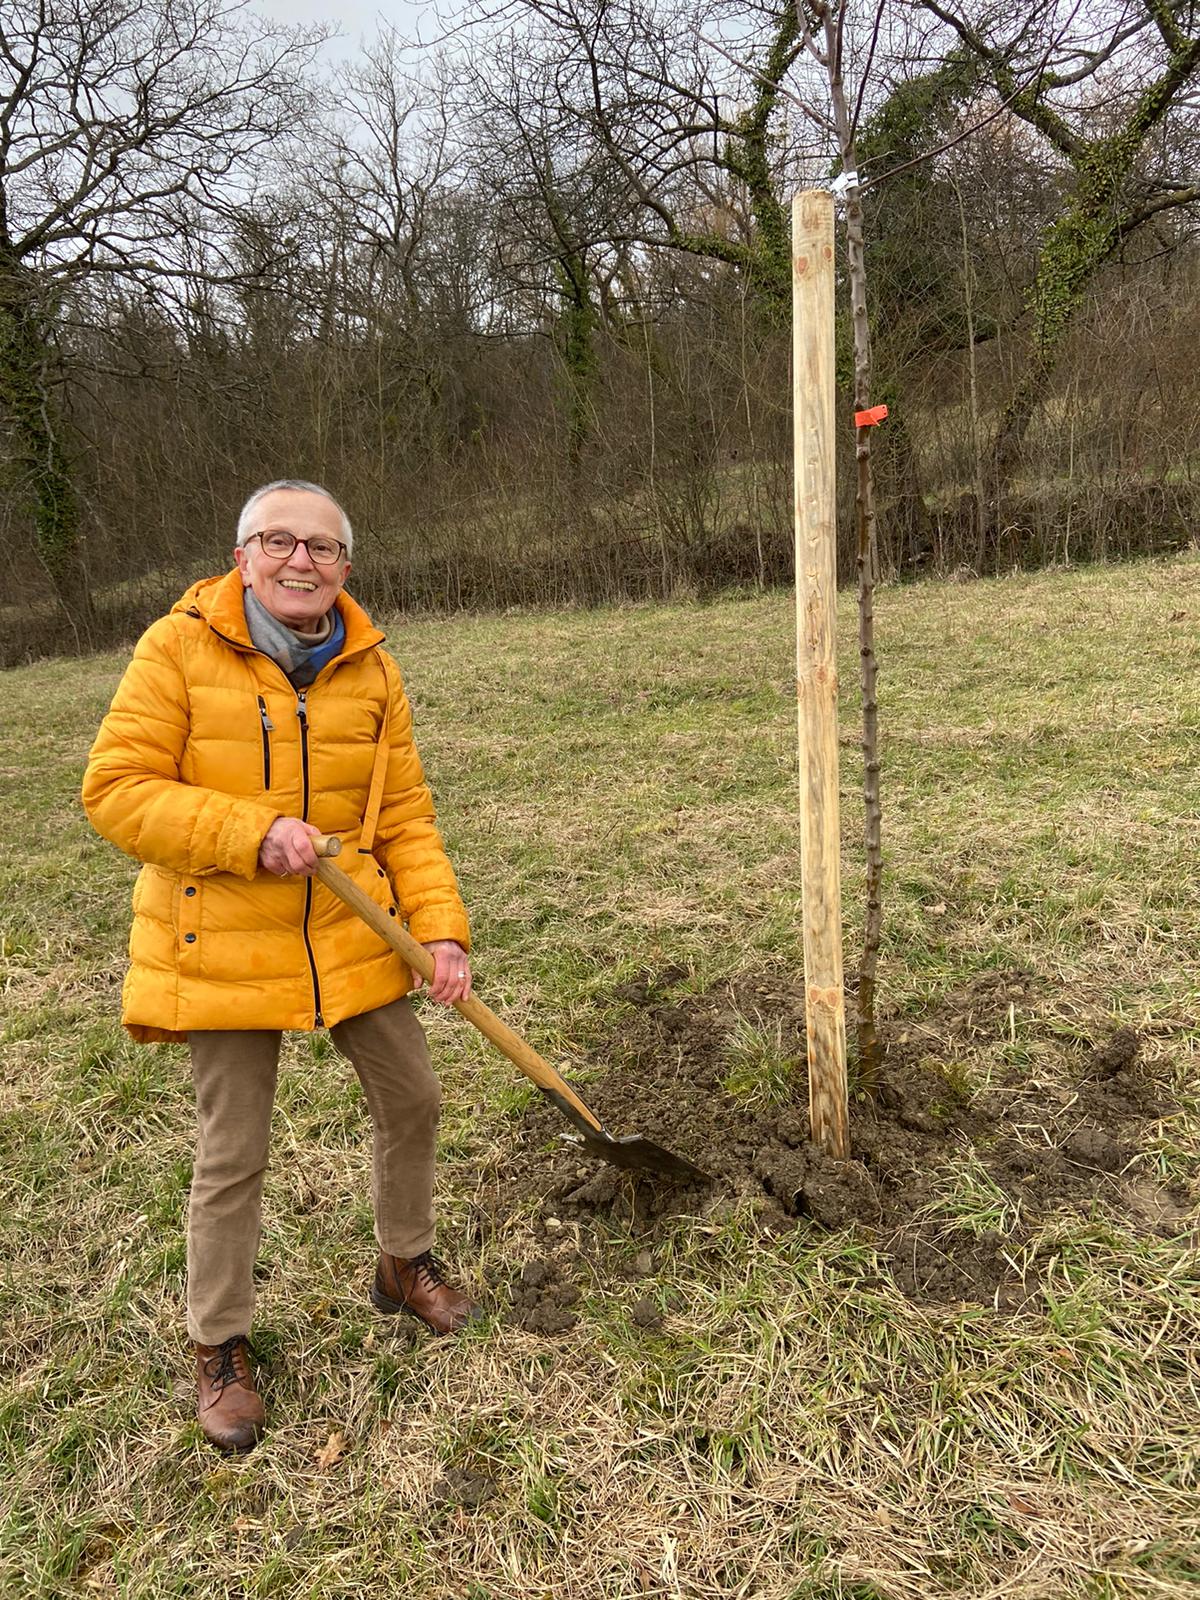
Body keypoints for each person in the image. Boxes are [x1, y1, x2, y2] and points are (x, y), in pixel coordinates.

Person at [82, 479, 479, 1453]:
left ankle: (403, 1261)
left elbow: (406, 819)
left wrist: (441, 930)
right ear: (242, 555)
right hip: (217, 930)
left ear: (347, 566)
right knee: (235, 1150)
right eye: (279, 542)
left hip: (350, 927)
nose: (301, 561)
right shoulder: (177, 648)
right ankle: (219, 1345)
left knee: (413, 1097)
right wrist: (248, 833)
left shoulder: (371, 670)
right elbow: (115, 790)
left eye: (323, 547)